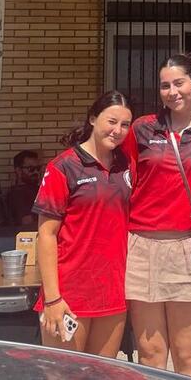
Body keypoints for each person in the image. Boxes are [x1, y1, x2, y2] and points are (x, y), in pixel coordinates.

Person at [122, 53, 191, 379]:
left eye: (179, 82)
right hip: (142, 248)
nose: (173, 91)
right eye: (165, 85)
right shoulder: (142, 130)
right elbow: (121, 180)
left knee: (187, 354)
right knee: (151, 354)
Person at [34, 91, 133, 357]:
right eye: (111, 121)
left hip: (113, 291)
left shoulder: (126, 165)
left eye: (125, 125)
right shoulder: (63, 167)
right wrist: (53, 298)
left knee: (103, 373)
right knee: (65, 374)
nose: (118, 130)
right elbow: (45, 235)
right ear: (92, 118)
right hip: (70, 293)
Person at [5, 150, 42, 227]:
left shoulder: (37, 189)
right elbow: (27, 223)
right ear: (18, 170)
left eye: (38, 168)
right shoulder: (17, 194)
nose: (36, 172)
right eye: (31, 169)